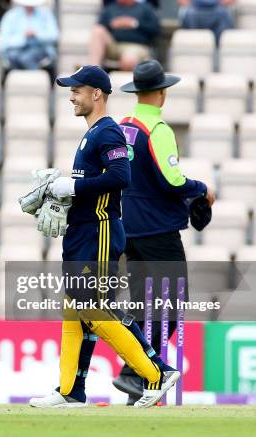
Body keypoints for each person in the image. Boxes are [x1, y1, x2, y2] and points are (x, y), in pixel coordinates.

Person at [27, 66, 180, 409]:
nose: (71, 97)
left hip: (100, 230)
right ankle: (70, 391)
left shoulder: (107, 132)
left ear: (97, 93)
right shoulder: (93, 134)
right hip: (83, 231)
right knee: (74, 309)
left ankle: (155, 373)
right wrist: (63, 193)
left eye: (77, 91)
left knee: (94, 309)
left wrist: (74, 186)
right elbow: (96, 182)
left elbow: (121, 176)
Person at [113, 59, 215, 404]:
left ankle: (136, 386)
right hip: (158, 230)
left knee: (144, 306)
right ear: (161, 93)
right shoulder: (157, 129)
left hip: (128, 228)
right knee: (172, 303)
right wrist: (201, 188)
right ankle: (136, 373)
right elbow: (171, 179)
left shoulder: (124, 125)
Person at [89, 0, 160, 71]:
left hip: (136, 46)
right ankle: (94, 71)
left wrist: (134, 24)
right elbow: (101, 25)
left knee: (128, 60)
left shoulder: (145, 8)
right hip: (115, 45)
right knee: (98, 30)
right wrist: (113, 24)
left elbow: (156, 30)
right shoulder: (110, 8)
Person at [0, 0, 59, 71]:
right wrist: (23, 36)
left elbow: (54, 36)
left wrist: (36, 34)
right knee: (13, 56)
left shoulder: (46, 14)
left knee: (26, 58)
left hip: (40, 49)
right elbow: (4, 41)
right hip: (16, 50)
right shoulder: (11, 16)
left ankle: (34, 78)